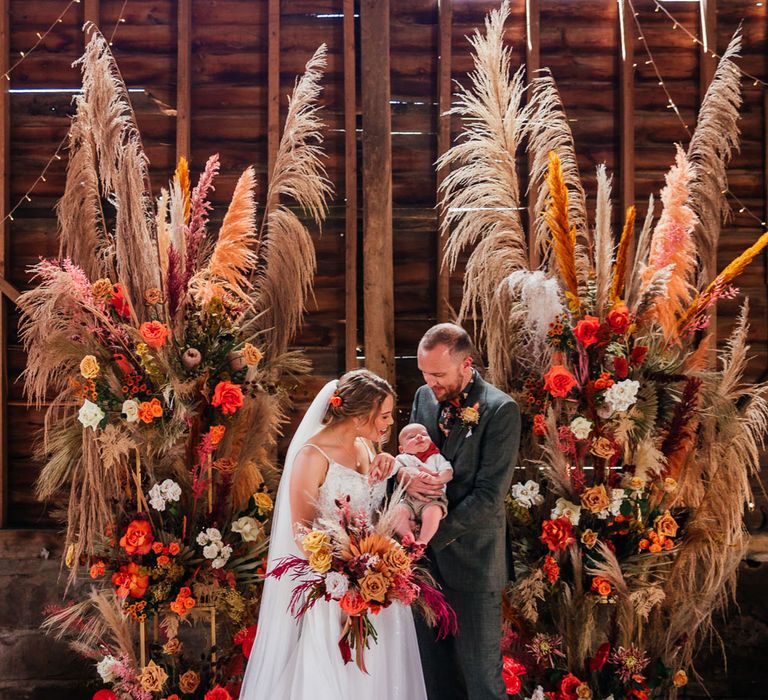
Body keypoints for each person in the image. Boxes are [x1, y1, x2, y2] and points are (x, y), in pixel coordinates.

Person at [240, 369, 428, 700]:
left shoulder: (367, 448)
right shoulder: (312, 455)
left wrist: (386, 461)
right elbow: (301, 528)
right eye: (383, 415)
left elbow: (372, 514)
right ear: (359, 415)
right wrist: (346, 570)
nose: (388, 422)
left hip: (376, 584)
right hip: (333, 587)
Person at [408, 323, 520, 700]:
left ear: (466, 364)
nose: (430, 383)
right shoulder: (424, 397)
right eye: (424, 373)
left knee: (481, 680)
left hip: (474, 562)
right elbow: (410, 460)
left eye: (438, 375)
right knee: (436, 677)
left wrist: (427, 537)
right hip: (424, 568)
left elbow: (489, 496)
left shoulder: (500, 409)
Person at [391, 423, 453, 547]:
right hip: (407, 500)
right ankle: (407, 535)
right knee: (396, 512)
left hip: (432, 499)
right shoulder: (403, 458)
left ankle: (423, 540)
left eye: (424, 434)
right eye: (411, 437)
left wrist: (438, 479)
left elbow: (448, 472)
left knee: (434, 512)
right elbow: (393, 470)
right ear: (402, 449)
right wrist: (402, 472)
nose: (419, 437)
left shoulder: (436, 457)